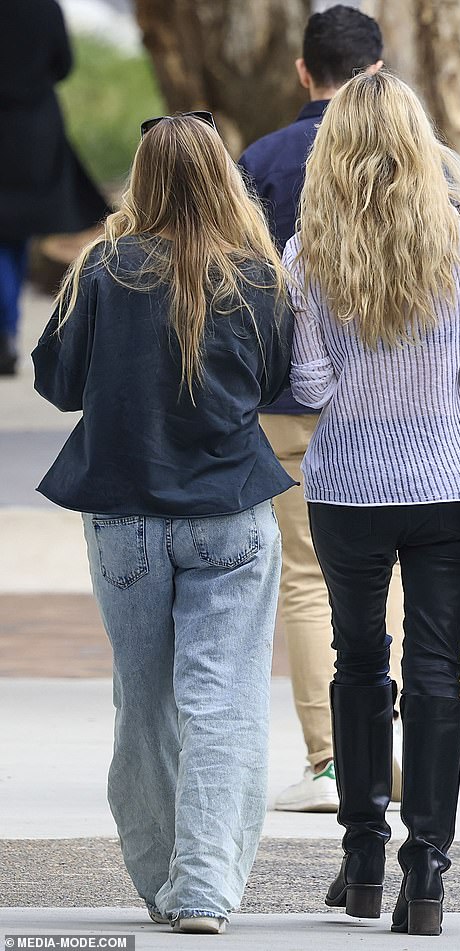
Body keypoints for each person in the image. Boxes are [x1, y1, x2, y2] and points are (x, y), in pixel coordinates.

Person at [283, 71, 460, 935]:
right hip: (448, 484)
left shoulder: (308, 246)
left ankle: (360, 859)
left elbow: (308, 382)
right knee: (434, 670)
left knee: (359, 661)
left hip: (348, 487)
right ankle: (424, 874)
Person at [32, 113, 294, 934]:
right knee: (224, 700)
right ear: (223, 176)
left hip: (124, 520)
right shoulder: (255, 274)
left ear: (141, 177)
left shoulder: (103, 269)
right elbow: (279, 378)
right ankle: (204, 889)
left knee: (143, 700)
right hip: (230, 511)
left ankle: (157, 880)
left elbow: (58, 380)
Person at [240, 2, 404, 813]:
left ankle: (334, 760)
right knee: (394, 575)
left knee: (308, 578)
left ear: (306, 72)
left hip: (285, 403)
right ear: (380, 69)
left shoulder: (262, 159)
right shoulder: (424, 162)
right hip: (403, 412)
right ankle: (387, 744)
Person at [0, 0, 108, 374]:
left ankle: (4, 329)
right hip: (34, 129)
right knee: (16, 233)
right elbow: (63, 64)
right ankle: (7, 328)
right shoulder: (44, 6)